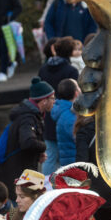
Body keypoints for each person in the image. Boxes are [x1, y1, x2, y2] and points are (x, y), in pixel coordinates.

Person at [0, 77, 54, 201]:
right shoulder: (27, 118)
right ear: (44, 101)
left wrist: (38, 154)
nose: (54, 101)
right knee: (22, 212)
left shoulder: (32, 115)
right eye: (52, 98)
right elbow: (27, 142)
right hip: (17, 176)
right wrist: (43, 146)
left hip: (24, 173)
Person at [38, 36, 79, 175]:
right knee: (68, 158)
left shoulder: (43, 70)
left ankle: (46, 189)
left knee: (50, 157)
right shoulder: (71, 71)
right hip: (66, 115)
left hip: (48, 117)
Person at [50, 79, 80, 166]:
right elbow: (78, 138)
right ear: (76, 93)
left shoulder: (65, 112)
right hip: (75, 163)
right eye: (78, 87)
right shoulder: (69, 116)